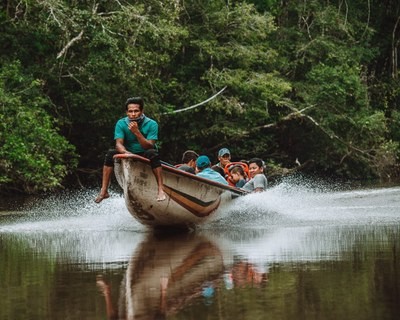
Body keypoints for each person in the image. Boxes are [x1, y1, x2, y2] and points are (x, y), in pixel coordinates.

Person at [95, 97, 166, 203]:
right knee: (110, 154)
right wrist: (125, 153)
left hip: (145, 152)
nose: (133, 114)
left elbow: (149, 146)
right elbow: (118, 144)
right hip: (128, 152)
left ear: (142, 111)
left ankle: (160, 189)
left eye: (136, 111)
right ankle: (104, 190)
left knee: (153, 153)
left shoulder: (152, 124)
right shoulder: (121, 123)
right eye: (130, 111)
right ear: (126, 112)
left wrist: (137, 132)